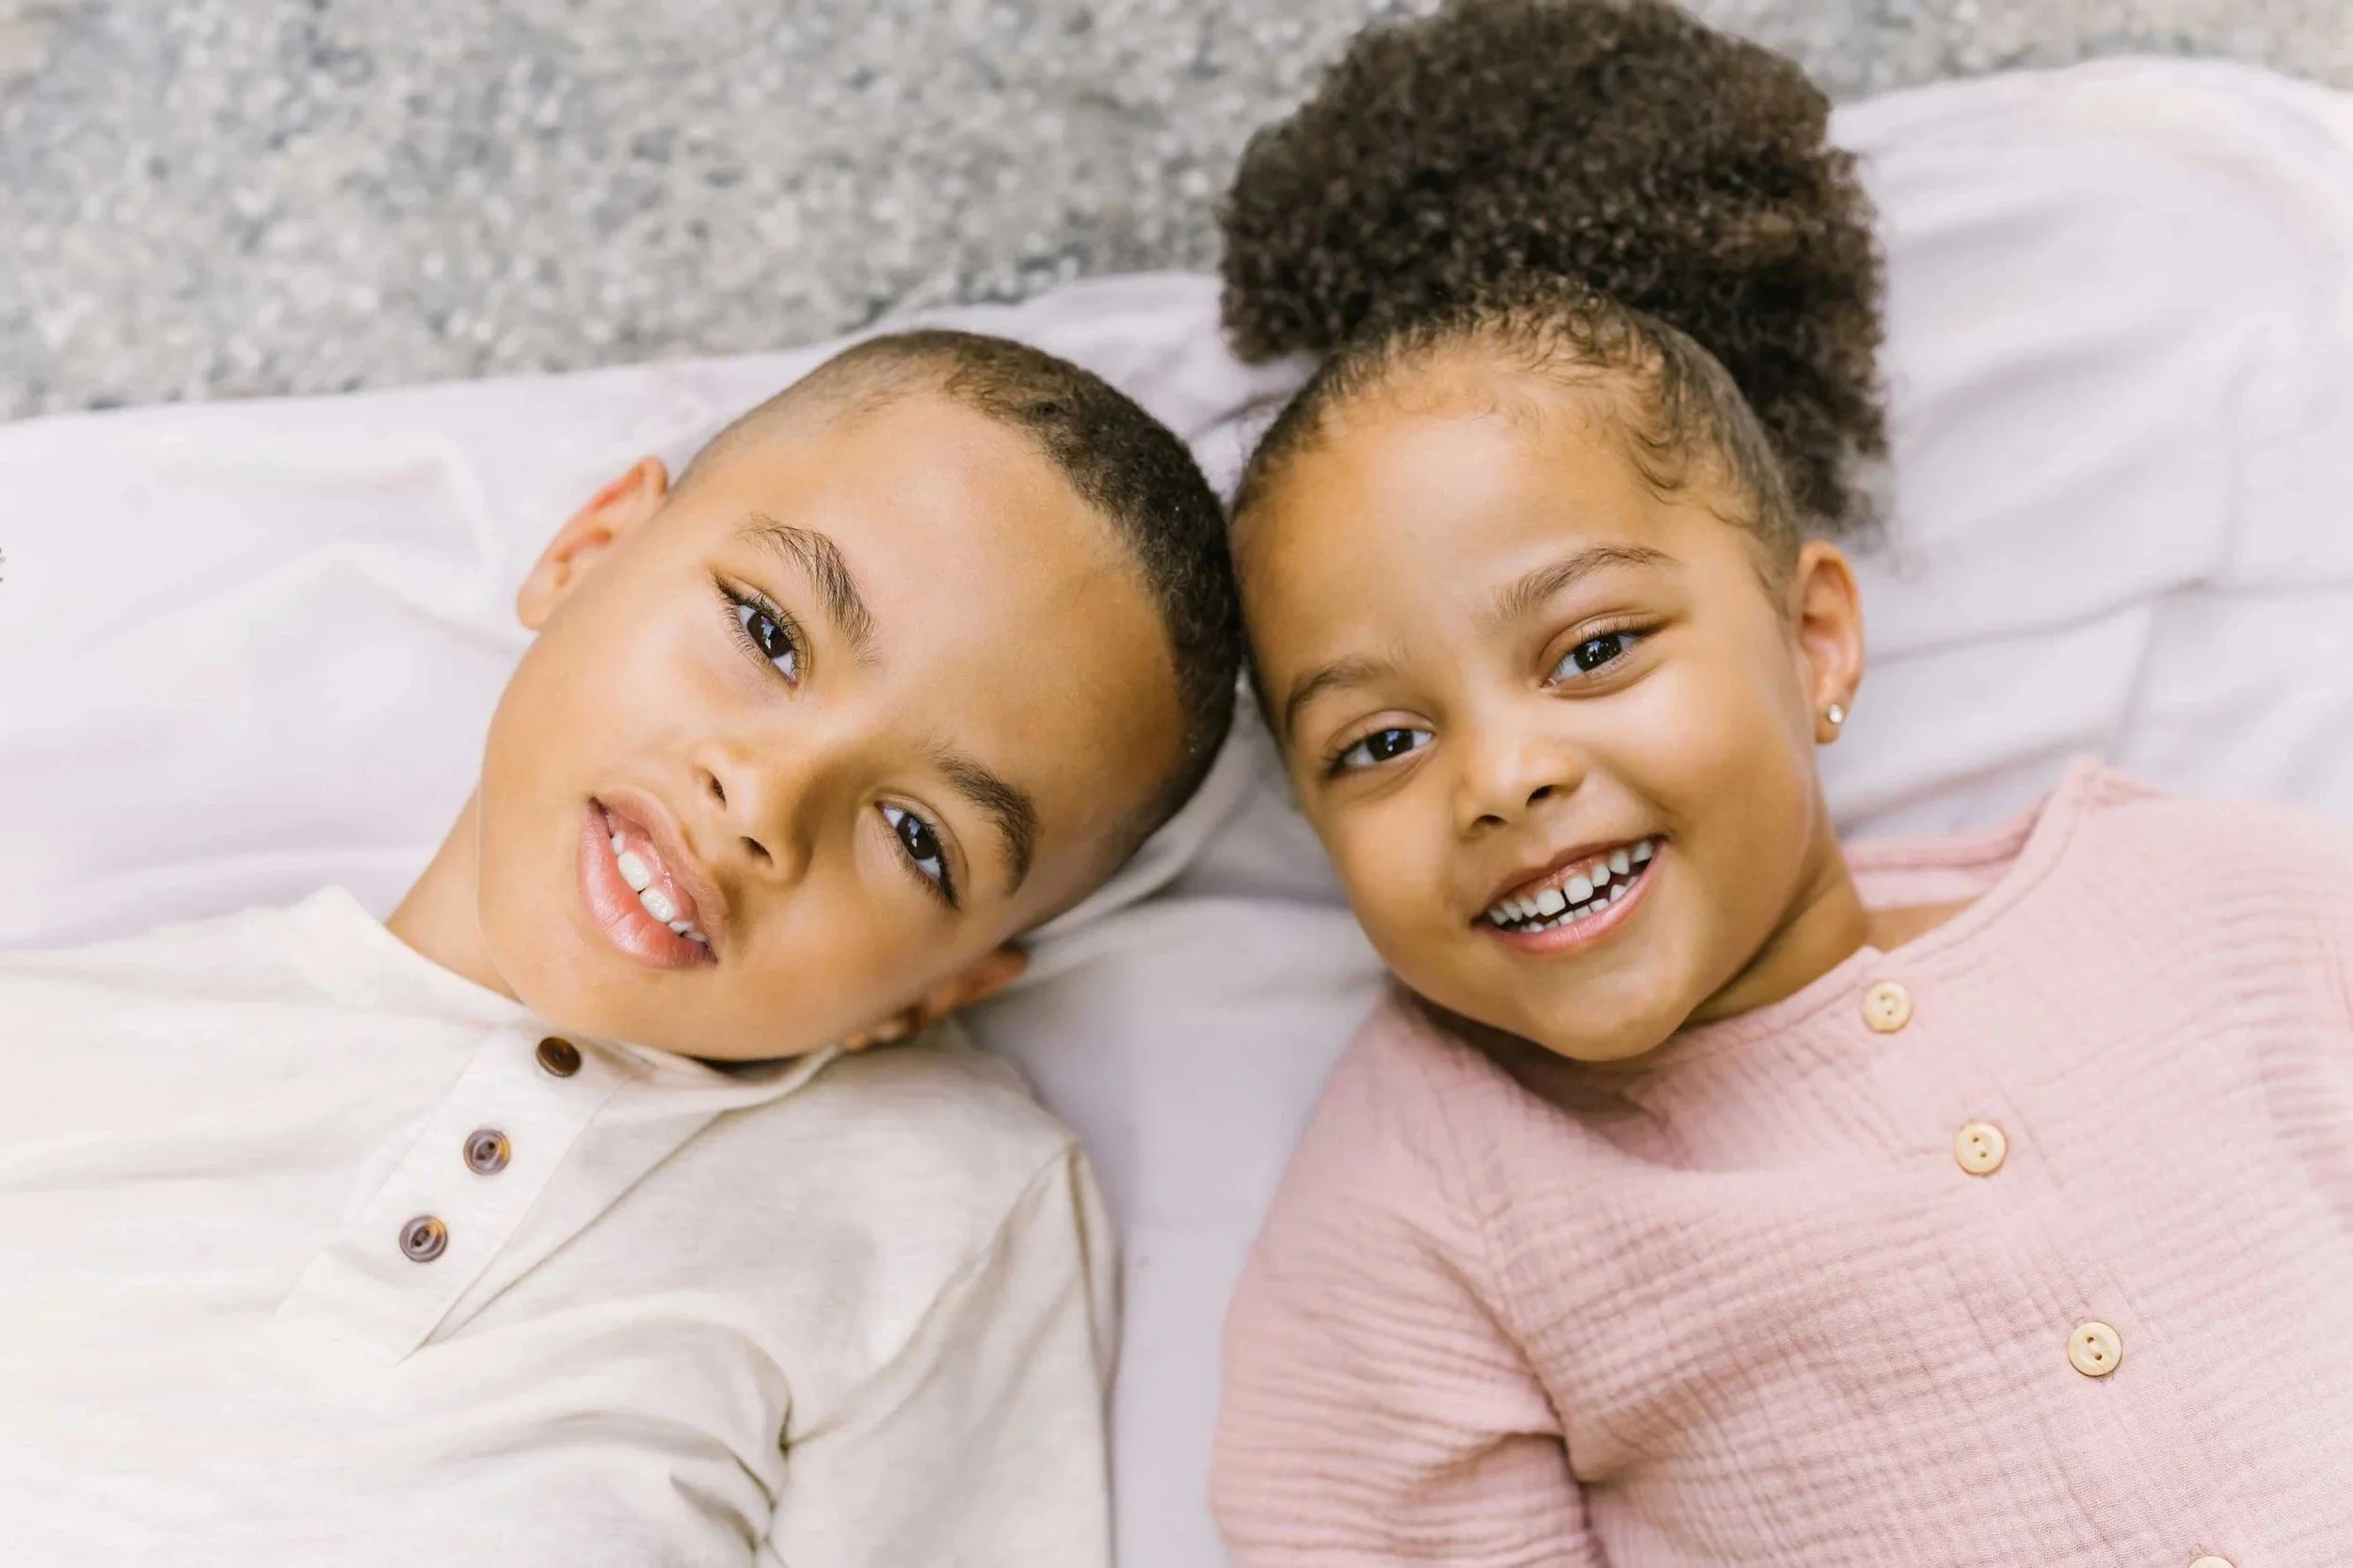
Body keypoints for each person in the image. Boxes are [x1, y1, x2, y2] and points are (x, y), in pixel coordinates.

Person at [1207, 3, 2353, 1562]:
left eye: (1593, 647)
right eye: (1380, 744)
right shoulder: (1429, 1192)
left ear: (1812, 641)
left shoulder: (2236, 913)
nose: (1502, 775)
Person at [0, 328, 1240, 1565]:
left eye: (918, 836)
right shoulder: (49, 1041)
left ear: (938, 991)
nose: (761, 799)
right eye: (769, 632)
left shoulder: (932, 1202)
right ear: (586, 553)